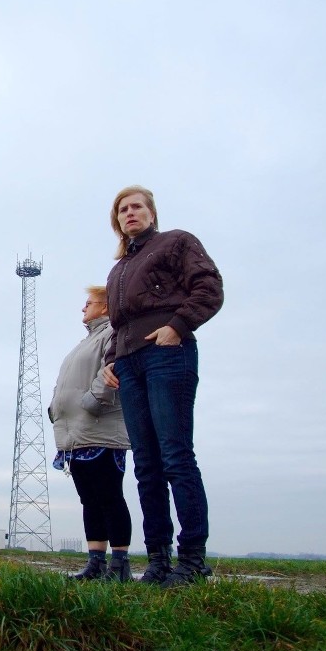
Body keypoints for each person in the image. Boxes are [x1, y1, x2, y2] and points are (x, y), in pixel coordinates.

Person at [103, 186, 223, 587]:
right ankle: (157, 561)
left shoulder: (177, 242)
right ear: (117, 221)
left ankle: (192, 561)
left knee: (175, 456)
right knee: (147, 466)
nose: (130, 213)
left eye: (137, 207)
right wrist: (110, 361)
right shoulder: (118, 270)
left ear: (152, 213)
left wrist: (178, 326)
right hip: (130, 363)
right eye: (123, 210)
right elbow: (118, 325)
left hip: (167, 355)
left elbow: (209, 286)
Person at [49, 286, 133, 582]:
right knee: (89, 500)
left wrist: (92, 401)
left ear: (106, 307)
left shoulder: (113, 333)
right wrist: (54, 409)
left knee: (110, 497)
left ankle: (120, 566)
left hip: (101, 430)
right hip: (76, 434)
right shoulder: (85, 342)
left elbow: (113, 370)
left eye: (89, 303)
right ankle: (95, 563)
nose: (83, 308)